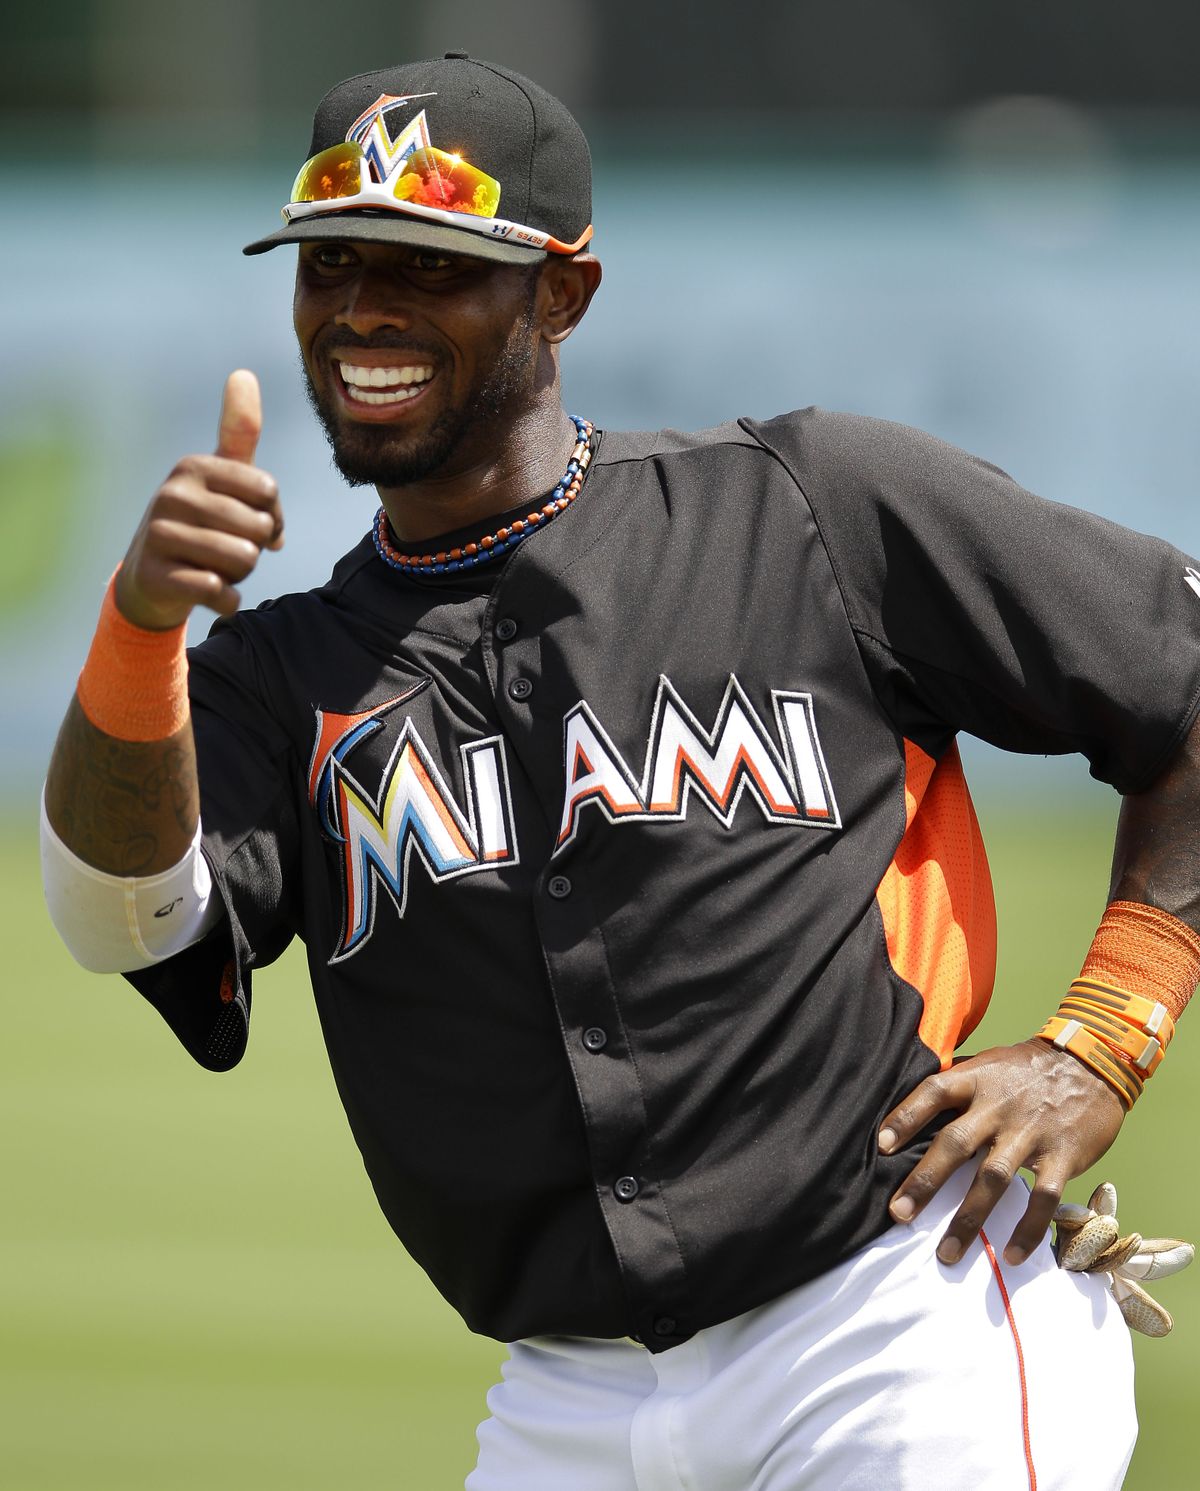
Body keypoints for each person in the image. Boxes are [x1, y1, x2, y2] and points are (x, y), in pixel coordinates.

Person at [40, 53, 1200, 1490]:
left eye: (427, 264)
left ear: (563, 295)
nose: (363, 311)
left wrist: (1109, 1028)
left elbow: (1184, 679)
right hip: (568, 1401)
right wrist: (139, 624)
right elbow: (124, 926)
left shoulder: (806, 509)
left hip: (900, 1319)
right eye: (330, 263)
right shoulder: (279, 678)